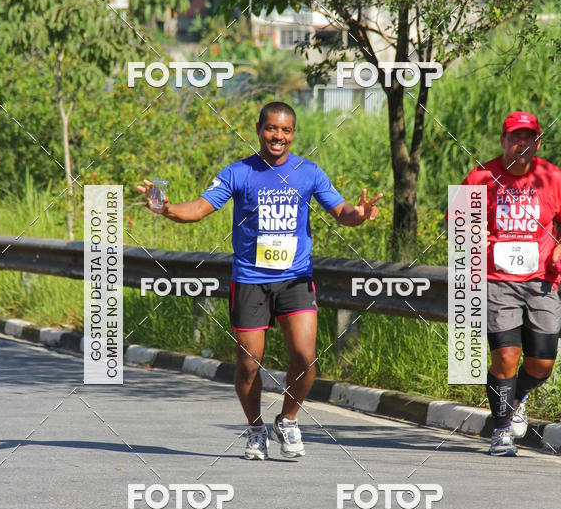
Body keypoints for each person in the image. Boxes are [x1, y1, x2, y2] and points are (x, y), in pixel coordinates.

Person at [138, 101, 383, 461]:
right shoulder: (239, 173)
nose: (278, 136)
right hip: (250, 281)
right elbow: (200, 209)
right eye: (271, 128)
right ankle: (255, 428)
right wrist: (167, 208)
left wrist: (358, 215)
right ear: (258, 129)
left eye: (286, 130)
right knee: (249, 363)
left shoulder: (309, 173)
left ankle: (287, 419)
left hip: (295, 278)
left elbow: (342, 211)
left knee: (305, 356)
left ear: (293, 134)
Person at [457, 110, 561, 456]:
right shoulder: (481, 177)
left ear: (538, 142)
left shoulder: (551, 177)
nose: (522, 144)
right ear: (503, 141)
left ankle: (517, 397)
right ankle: (501, 430)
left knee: (542, 364)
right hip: (497, 281)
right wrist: (472, 232)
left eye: (529, 138)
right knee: (506, 358)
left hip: (541, 281)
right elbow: (456, 222)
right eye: (515, 137)